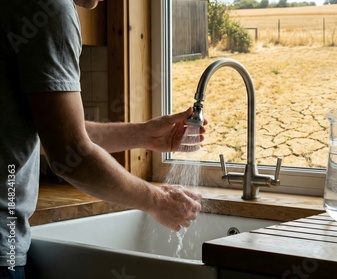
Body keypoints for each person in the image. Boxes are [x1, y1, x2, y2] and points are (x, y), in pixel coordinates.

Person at [0, 0, 206, 278]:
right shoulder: (51, 10)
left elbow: (56, 130)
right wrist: (158, 201)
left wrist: (144, 134)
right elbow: (70, 155)